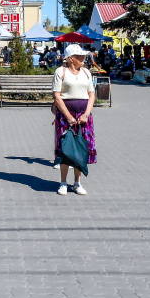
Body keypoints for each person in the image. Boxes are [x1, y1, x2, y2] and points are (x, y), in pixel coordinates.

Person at [52, 44, 97, 196]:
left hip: (84, 115)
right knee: (66, 148)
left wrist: (86, 114)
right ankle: (63, 182)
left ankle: (77, 183)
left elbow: (91, 95)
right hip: (66, 115)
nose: (84, 58)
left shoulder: (86, 72)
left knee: (81, 148)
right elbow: (57, 96)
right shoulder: (61, 72)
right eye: (80, 56)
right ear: (71, 59)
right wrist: (68, 116)